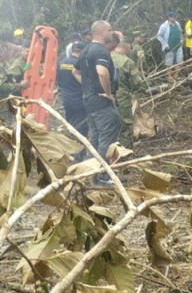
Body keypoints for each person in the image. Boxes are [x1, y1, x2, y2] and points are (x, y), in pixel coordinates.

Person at [75, 20, 120, 182]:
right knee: (107, 137)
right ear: (102, 32)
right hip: (101, 102)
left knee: (95, 137)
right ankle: (102, 175)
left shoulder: (86, 50)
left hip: (89, 100)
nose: (111, 32)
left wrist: (89, 88)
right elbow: (102, 72)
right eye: (110, 29)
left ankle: (91, 172)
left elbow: (76, 72)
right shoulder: (101, 51)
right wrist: (107, 93)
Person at [56, 41, 89, 140]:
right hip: (80, 101)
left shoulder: (61, 63)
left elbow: (59, 83)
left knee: (70, 126)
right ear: (82, 51)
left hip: (67, 100)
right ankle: (79, 154)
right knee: (81, 129)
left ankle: (70, 149)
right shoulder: (81, 64)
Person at [112, 38, 140, 149]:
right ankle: (125, 154)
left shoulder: (106, 57)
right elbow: (136, 83)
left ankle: (110, 152)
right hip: (122, 98)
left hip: (105, 98)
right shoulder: (127, 62)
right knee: (125, 126)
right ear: (127, 47)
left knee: (109, 125)